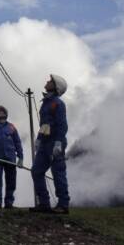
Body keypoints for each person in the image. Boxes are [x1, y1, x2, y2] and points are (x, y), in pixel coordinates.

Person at [30, 74, 70, 214]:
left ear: (56, 86)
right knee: (36, 171)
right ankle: (44, 204)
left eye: (50, 81)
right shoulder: (46, 103)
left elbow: (62, 125)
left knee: (58, 172)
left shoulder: (58, 103)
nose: (47, 81)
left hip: (55, 142)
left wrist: (58, 143)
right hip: (45, 142)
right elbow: (45, 125)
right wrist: (39, 139)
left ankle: (63, 205)